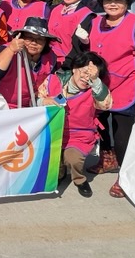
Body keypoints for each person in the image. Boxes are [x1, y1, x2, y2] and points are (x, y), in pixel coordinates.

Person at [85, 0, 135, 198]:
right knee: (100, 125)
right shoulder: (94, 22)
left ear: (127, 2)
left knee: (122, 133)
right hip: (100, 84)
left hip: (127, 83)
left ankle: (126, 175)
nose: (113, 3)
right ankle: (108, 159)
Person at [37, 52, 112, 198]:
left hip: (79, 135)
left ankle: (79, 179)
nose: (86, 78)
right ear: (74, 68)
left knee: (73, 159)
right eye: (84, 71)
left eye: (92, 75)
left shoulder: (95, 91)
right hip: (53, 132)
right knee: (51, 158)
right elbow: (35, 101)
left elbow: (106, 105)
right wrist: (44, 101)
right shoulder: (52, 80)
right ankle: (60, 172)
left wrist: (96, 82)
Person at [0, 17, 59, 109]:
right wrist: (11, 49)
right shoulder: (9, 50)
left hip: (31, 107)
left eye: (40, 39)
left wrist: (43, 101)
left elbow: (48, 86)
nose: (34, 43)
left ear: (46, 42)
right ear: (21, 38)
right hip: (2, 105)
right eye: (29, 37)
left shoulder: (51, 58)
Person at [48, 0, 95, 69]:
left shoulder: (86, 15)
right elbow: (40, 10)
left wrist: (66, 66)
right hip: (48, 60)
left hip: (67, 64)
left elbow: (78, 47)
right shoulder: (55, 9)